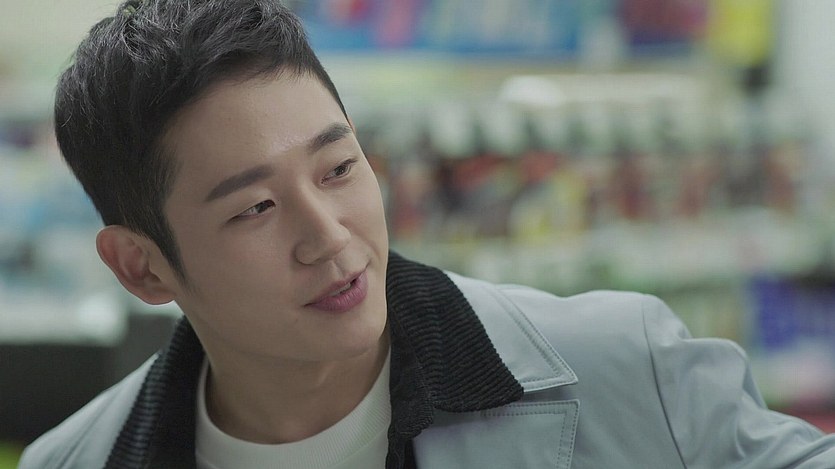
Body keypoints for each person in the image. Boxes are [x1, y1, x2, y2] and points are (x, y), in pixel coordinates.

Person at [18, 0, 835, 467]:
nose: (328, 236)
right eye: (255, 208)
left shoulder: (629, 367)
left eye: (338, 167)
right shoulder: (73, 459)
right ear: (141, 266)